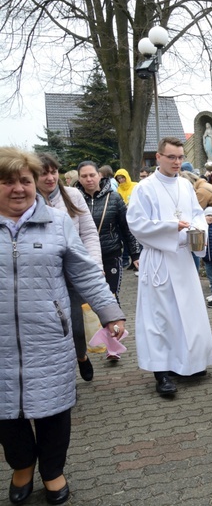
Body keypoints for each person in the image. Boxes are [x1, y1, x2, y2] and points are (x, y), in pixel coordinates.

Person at [0, 147, 126, 506]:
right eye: (7, 182)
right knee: (6, 411)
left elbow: (84, 270)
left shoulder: (57, 223)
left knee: (53, 410)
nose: (18, 188)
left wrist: (109, 311)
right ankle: (22, 466)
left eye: (25, 180)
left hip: (48, 336)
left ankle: (53, 470)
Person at [126, 137, 212, 396]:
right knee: (160, 317)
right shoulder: (145, 188)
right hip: (159, 259)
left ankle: (188, 363)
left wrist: (200, 227)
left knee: (187, 314)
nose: (177, 162)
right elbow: (137, 224)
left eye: (179, 157)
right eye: (171, 157)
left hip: (183, 258)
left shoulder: (185, 186)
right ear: (159, 157)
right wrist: (169, 227)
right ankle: (161, 373)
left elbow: (197, 215)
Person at [37, 154, 104, 380]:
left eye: (53, 172)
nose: (50, 177)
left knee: (76, 326)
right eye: (43, 173)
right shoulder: (28, 200)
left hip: (74, 274)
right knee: (51, 330)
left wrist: (95, 265)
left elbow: (89, 233)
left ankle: (81, 356)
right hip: (43, 278)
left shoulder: (73, 195)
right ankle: (62, 376)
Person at [75, 161, 141, 306]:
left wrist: (135, 254)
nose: (89, 179)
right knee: (86, 300)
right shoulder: (73, 199)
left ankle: (115, 328)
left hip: (110, 254)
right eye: (84, 176)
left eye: (92, 175)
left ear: (99, 175)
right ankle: (92, 328)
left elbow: (126, 228)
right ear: (79, 178)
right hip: (84, 257)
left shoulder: (114, 198)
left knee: (111, 296)